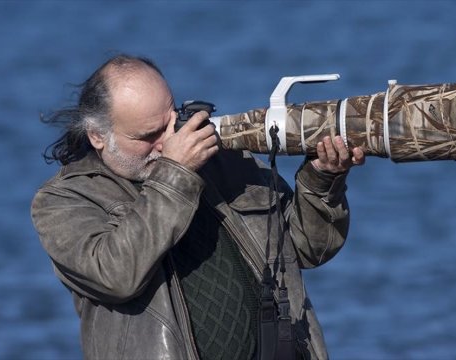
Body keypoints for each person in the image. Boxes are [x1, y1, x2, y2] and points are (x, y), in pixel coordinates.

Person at [31, 54, 365, 360]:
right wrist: (176, 174)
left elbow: (307, 249)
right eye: (148, 135)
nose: (167, 141)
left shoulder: (224, 161)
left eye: (170, 121)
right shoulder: (62, 202)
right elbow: (117, 275)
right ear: (98, 136)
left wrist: (322, 179)